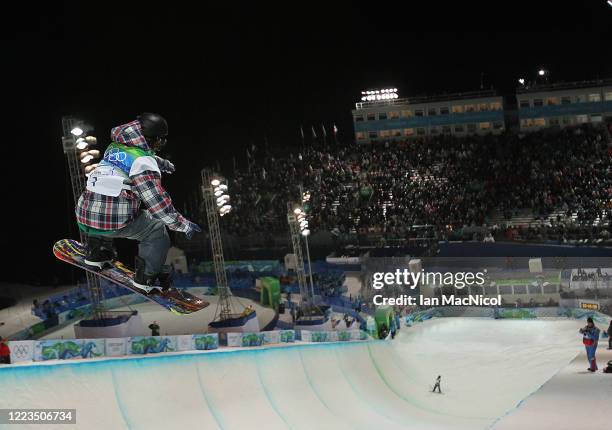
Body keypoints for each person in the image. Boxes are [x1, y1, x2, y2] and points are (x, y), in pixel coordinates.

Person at [75, 114, 201, 293]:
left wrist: (162, 163)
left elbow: (134, 156)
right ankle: (148, 277)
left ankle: (97, 251)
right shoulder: (144, 163)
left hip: (84, 214)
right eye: (159, 142)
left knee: (106, 202)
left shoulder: (114, 147)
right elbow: (158, 205)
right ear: (152, 139)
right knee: (156, 228)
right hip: (112, 220)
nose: (158, 146)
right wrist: (183, 225)